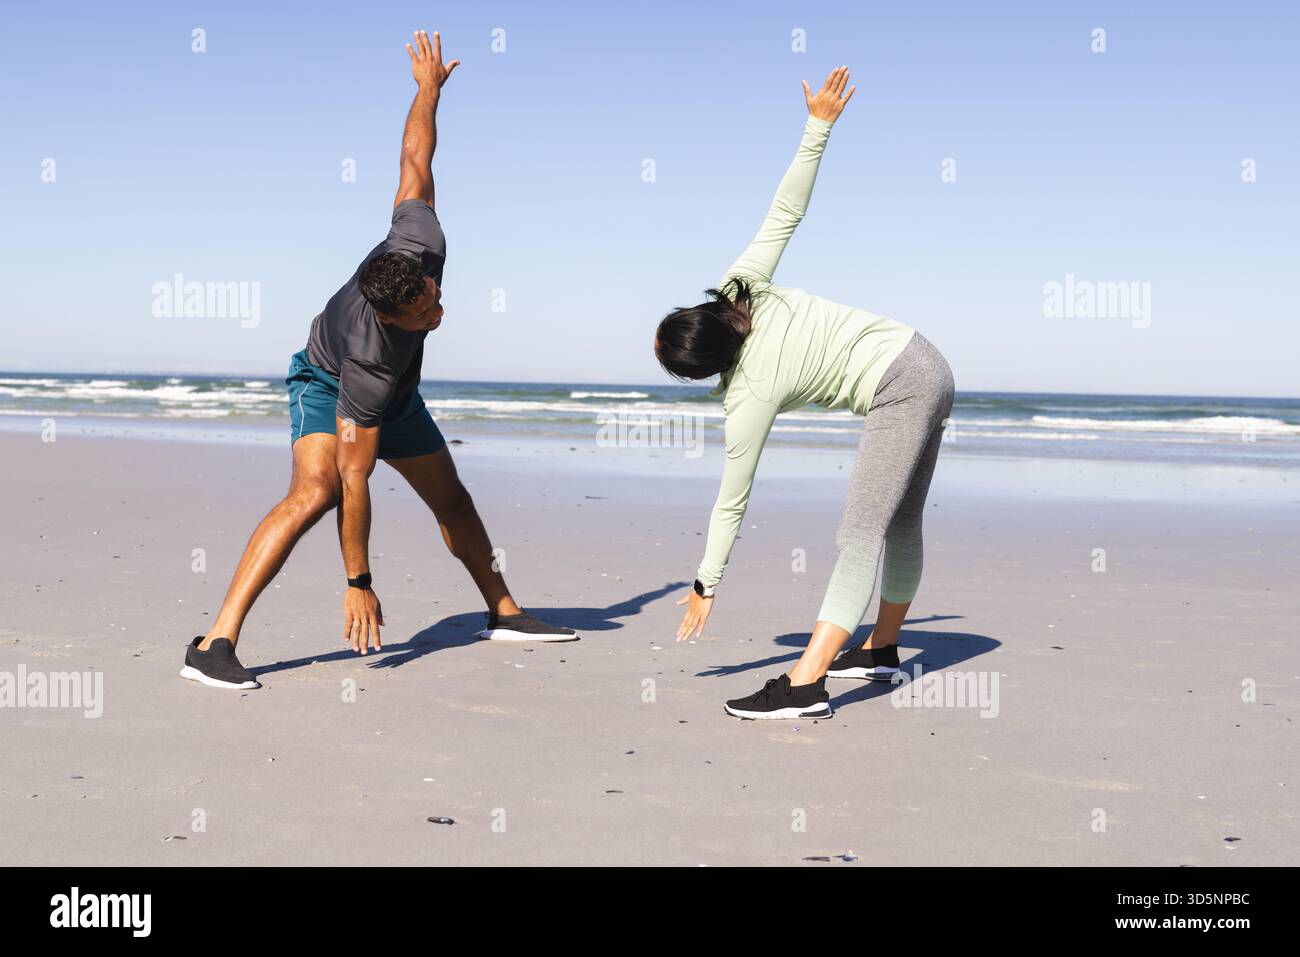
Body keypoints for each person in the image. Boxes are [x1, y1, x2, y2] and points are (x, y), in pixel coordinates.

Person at [181, 31, 576, 691]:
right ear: (391, 320)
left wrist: (427, 90)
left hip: (398, 396)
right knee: (317, 490)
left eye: (434, 297)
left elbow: (415, 154)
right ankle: (214, 641)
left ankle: (503, 610)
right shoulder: (368, 357)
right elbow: (356, 480)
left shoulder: (417, 240)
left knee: (452, 496)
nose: (437, 311)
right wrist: (358, 581)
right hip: (328, 382)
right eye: (424, 315)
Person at [654, 67, 954, 719]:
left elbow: (732, 501)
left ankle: (807, 681)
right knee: (899, 523)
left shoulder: (748, 395)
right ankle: (880, 649)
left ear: (701, 369)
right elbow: (785, 211)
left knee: (860, 532)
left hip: (900, 385)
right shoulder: (744, 287)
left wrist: (706, 583)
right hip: (927, 358)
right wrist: (818, 125)